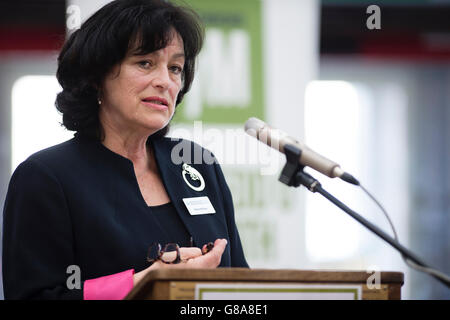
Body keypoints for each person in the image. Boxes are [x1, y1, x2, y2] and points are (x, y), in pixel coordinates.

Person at [2, 0, 248, 300]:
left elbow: (241, 286)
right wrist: (148, 283)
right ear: (96, 76)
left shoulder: (197, 164)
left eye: (175, 68)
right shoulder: (45, 177)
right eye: (145, 63)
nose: (165, 82)